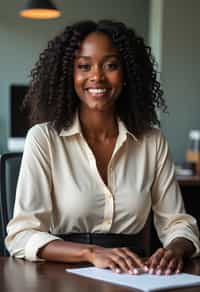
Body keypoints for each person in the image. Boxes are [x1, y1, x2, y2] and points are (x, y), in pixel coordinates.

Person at [5, 20, 200, 275]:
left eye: (111, 65)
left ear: (127, 73)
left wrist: (175, 249)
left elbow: (177, 223)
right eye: (84, 66)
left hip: (134, 273)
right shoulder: (44, 138)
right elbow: (22, 235)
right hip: (59, 273)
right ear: (68, 75)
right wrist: (91, 252)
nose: (97, 76)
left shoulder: (152, 140)